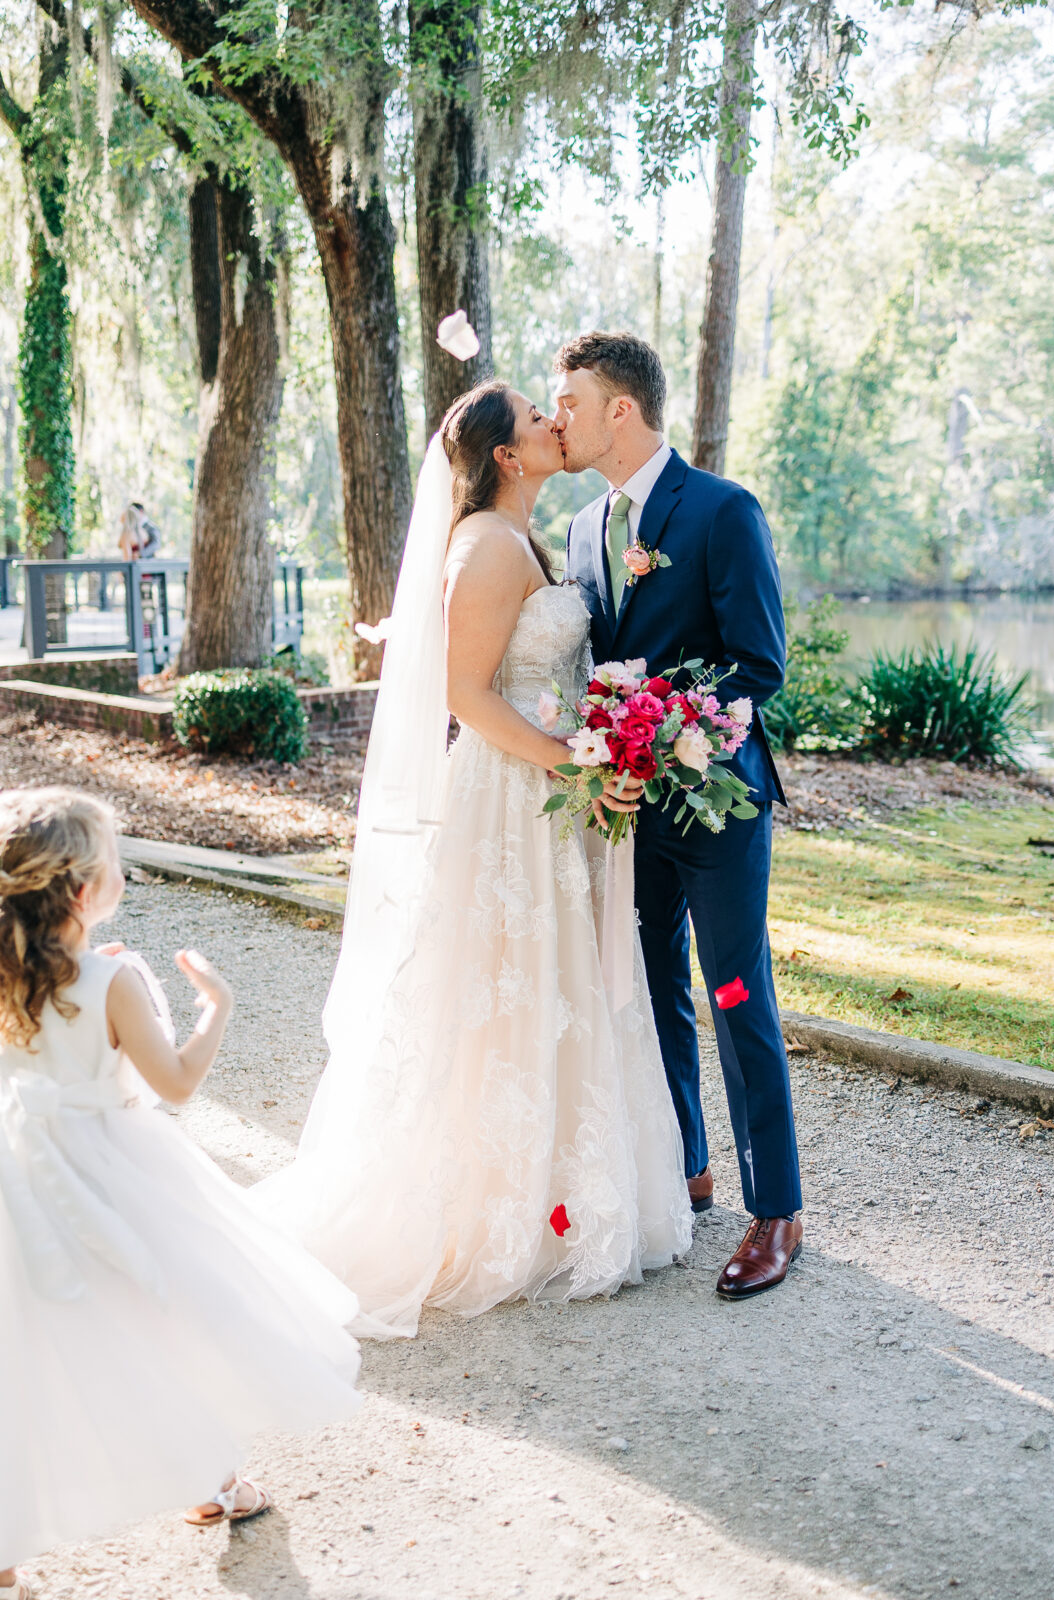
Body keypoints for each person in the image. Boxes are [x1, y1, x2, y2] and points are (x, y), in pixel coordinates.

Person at [254, 380, 692, 1335]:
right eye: (539, 417)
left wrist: (602, 746)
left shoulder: (526, 538)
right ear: (505, 455)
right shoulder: (488, 547)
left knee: (546, 988)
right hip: (512, 799)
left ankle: (550, 1193)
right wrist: (577, 757)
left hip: (547, 796)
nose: (554, 422)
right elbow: (467, 698)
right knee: (507, 989)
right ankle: (498, 1211)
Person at [0, 789, 362, 1600]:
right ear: (85, 891)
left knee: (20, 1345)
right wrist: (215, 1008)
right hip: (111, 1171)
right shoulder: (111, 978)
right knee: (164, 1313)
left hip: (16, 1176)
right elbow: (177, 1082)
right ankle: (214, 1479)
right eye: (117, 860)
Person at [555, 331, 803, 1299]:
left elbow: (759, 664)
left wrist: (662, 734)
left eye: (569, 398)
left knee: (736, 993)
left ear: (621, 408)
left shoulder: (720, 511)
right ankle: (685, 1168)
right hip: (628, 813)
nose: (558, 414)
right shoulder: (582, 530)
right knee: (651, 988)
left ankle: (775, 1208)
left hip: (716, 800)